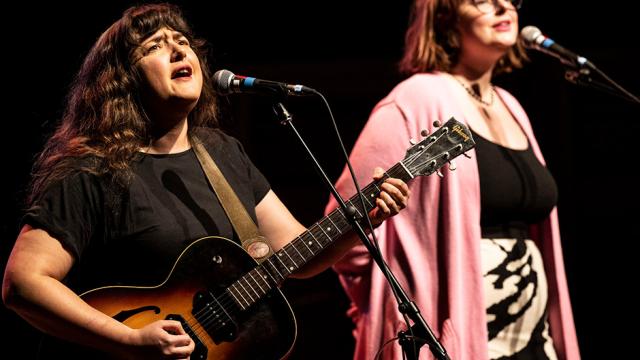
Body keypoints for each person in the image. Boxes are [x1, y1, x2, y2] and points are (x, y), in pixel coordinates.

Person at [1, 3, 410, 359]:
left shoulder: (222, 152)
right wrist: (128, 340)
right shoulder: (91, 170)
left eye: (181, 40)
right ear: (122, 82)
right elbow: (24, 282)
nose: (179, 49)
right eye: (154, 46)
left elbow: (295, 255)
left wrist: (365, 218)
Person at [326, 0, 580, 359]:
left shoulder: (510, 104)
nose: (503, 7)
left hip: (532, 337)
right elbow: (344, 228)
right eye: (482, 1)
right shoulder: (413, 100)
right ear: (445, 18)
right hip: (456, 338)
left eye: (509, 0)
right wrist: (394, 300)